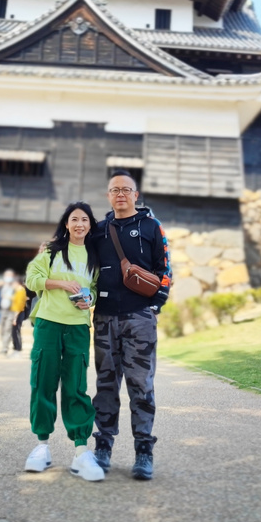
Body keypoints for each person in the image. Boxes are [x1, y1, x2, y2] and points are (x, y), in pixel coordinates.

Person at [91, 169, 172, 481]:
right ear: (109, 196)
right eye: (115, 190)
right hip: (104, 318)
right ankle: (103, 447)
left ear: (136, 195)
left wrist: (155, 305)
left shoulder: (152, 226)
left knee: (141, 385)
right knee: (106, 385)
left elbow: (164, 267)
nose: (120, 194)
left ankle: (143, 450)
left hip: (139, 319)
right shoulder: (99, 230)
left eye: (126, 189)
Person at [23, 202, 104, 482]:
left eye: (84, 219)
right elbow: (33, 279)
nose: (80, 224)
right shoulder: (52, 250)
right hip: (48, 323)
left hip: (79, 327)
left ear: (90, 225)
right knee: (43, 382)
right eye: (74, 219)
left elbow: (93, 289)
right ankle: (41, 447)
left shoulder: (94, 255)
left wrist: (88, 300)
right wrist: (60, 283)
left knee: (76, 386)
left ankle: (81, 451)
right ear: (66, 224)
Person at [0, 269, 16, 355]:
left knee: (8, 329)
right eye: (7, 275)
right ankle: (3, 345)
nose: (8, 277)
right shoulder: (0, 286)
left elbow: (18, 299)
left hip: (11, 311)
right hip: (1, 310)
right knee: (2, 329)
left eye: (10, 276)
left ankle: (5, 348)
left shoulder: (15, 287)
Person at [10, 276, 27, 352]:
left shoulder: (20, 291)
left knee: (16, 331)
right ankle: (16, 347)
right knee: (14, 331)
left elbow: (19, 305)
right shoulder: (18, 290)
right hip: (16, 312)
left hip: (18, 313)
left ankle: (18, 348)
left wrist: (15, 317)